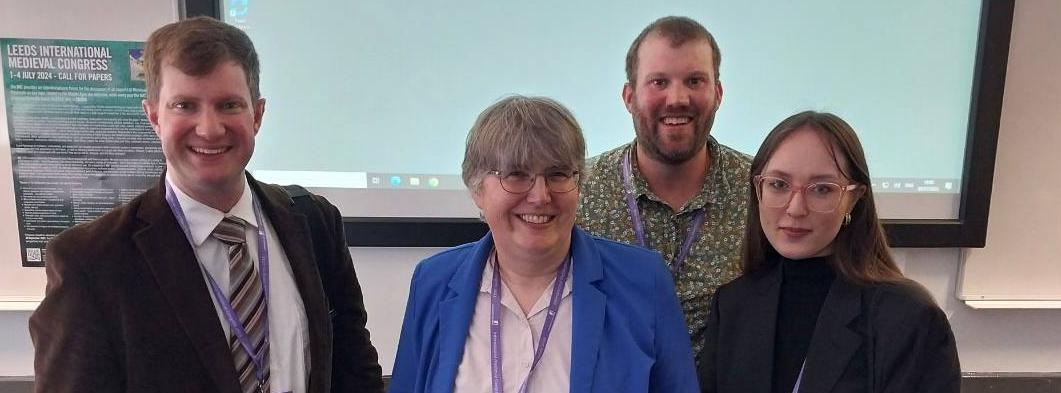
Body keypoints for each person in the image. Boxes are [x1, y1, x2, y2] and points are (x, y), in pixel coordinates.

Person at [29, 17, 384, 393]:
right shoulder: (91, 261)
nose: (210, 128)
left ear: (257, 115)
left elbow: (355, 372)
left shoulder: (314, 223)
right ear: (154, 116)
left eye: (229, 105)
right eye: (185, 105)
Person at [390, 96, 699, 393]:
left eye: (557, 174)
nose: (540, 196)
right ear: (477, 189)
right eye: (516, 174)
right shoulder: (433, 282)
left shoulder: (643, 282)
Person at [697, 111, 961, 393]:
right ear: (758, 189)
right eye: (779, 185)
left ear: (854, 199)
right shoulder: (733, 305)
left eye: (821, 189)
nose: (796, 208)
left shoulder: (909, 317)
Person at [577, 16, 752, 358]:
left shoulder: (761, 190)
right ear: (629, 97)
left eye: (694, 81)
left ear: (717, 94)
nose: (677, 98)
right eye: (659, 82)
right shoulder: (579, 190)